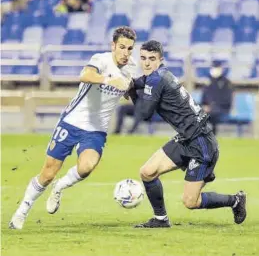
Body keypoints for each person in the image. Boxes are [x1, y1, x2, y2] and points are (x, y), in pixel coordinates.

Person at [9, 26, 138, 229]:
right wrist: (108, 79)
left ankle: (59, 187)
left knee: (87, 167)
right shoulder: (101, 60)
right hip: (71, 122)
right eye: (122, 47)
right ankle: (22, 210)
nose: (125, 52)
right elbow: (85, 75)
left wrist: (133, 93)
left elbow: (129, 91)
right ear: (113, 46)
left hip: (96, 129)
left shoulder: (132, 68)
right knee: (48, 173)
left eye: (130, 48)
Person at [127, 40, 246, 228]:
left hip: (201, 144)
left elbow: (144, 115)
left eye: (151, 59)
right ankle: (160, 220)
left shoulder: (157, 79)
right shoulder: (161, 74)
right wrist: (130, 82)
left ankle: (235, 200)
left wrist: (132, 92)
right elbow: (140, 81)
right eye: (143, 58)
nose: (147, 63)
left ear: (160, 60)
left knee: (191, 202)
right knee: (147, 172)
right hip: (185, 138)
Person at [201, 60, 233, 135]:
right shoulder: (208, 82)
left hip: (221, 109)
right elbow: (204, 98)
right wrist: (204, 106)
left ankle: (212, 135)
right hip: (209, 109)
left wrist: (212, 106)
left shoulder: (226, 83)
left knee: (213, 113)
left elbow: (227, 100)